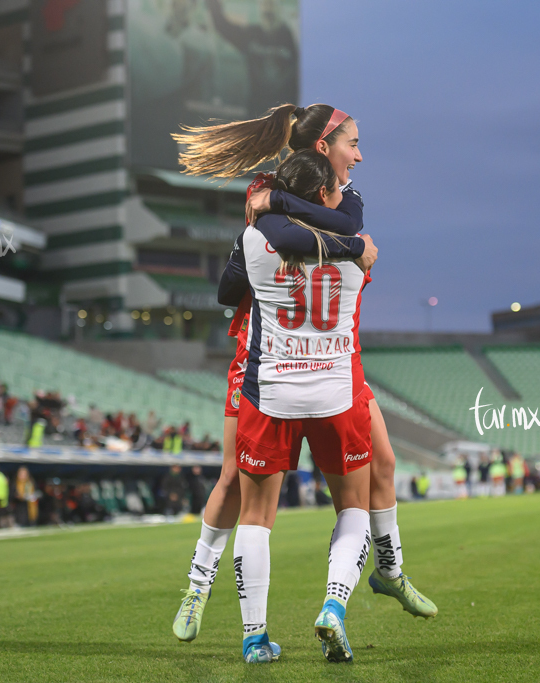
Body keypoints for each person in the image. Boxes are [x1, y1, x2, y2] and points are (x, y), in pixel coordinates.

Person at [171, 104, 435, 645]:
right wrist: (350, 249)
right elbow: (343, 233)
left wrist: (279, 212)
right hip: (273, 355)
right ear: (324, 148)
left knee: (383, 461)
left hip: (302, 364)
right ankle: (199, 586)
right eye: (353, 144)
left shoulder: (299, 200)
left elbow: (330, 227)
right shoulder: (328, 212)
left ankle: (389, 572)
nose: (359, 156)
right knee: (234, 482)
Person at [215, 151, 379, 663]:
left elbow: (227, 292)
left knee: (257, 519)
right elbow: (349, 226)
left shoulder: (254, 239)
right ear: (325, 199)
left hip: (272, 394)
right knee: (355, 509)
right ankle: (333, 606)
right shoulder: (359, 251)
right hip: (335, 393)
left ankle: (254, 638)